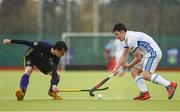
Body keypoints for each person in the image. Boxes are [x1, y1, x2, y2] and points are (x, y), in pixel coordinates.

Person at [112, 23, 177, 100]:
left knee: (146, 75)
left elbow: (138, 58)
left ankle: (169, 85)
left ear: (122, 32)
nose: (116, 37)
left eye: (117, 34)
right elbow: (124, 55)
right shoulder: (126, 39)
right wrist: (115, 69)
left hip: (153, 54)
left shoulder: (131, 39)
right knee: (134, 72)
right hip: (148, 55)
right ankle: (144, 92)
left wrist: (129, 65)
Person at [2, 39, 68, 101]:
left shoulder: (57, 57)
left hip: (42, 61)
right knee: (28, 71)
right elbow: (27, 42)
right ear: (56, 49)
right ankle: (22, 92)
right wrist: (10, 41)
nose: (62, 55)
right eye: (61, 53)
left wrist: (54, 85)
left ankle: (51, 92)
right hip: (30, 57)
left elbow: (54, 71)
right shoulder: (43, 45)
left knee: (57, 76)